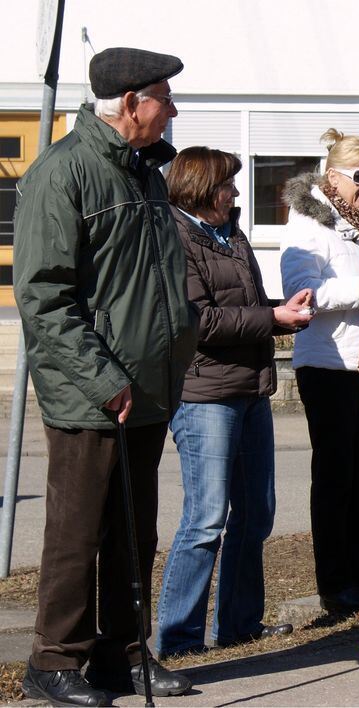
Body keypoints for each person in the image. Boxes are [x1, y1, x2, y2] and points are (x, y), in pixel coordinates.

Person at [13, 47, 198, 705]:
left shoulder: (144, 175)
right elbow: (42, 296)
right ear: (130, 104)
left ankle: (124, 655)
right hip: (91, 392)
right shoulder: (62, 175)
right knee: (78, 531)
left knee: (132, 530)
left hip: (145, 389)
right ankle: (52, 662)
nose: (172, 110)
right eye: (164, 98)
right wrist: (101, 379)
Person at [155, 147, 313, 660]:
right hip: (205, 396)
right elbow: (197, 322)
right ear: (202, 187)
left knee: (256, 514)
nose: (237, 192)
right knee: (205, 519)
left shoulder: (231, 233)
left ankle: (239, 624)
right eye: (229, 184)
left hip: (250, 389)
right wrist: (274, 321)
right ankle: (178, 639)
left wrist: (277, 309)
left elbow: (243, 308)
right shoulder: (176, 238)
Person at [279, 129, 359, 612]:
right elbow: (303, 293)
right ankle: (334, 581)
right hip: (329, 365)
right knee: (336, 476)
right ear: (331, 177)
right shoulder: (309, 224)